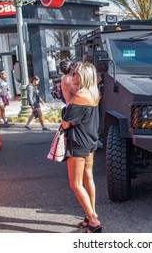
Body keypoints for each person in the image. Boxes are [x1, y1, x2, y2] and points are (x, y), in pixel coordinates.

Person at [61, 62, 102, 233]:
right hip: (90, 140)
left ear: (83, 76)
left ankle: (93, 221)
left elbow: (65, 123)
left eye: (76, 74)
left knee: (76, 183)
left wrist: (65, 114)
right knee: (88, 179)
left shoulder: (80, 96)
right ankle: (90, 214)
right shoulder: (94, 94)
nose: (72, 77)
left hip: (78, 142)